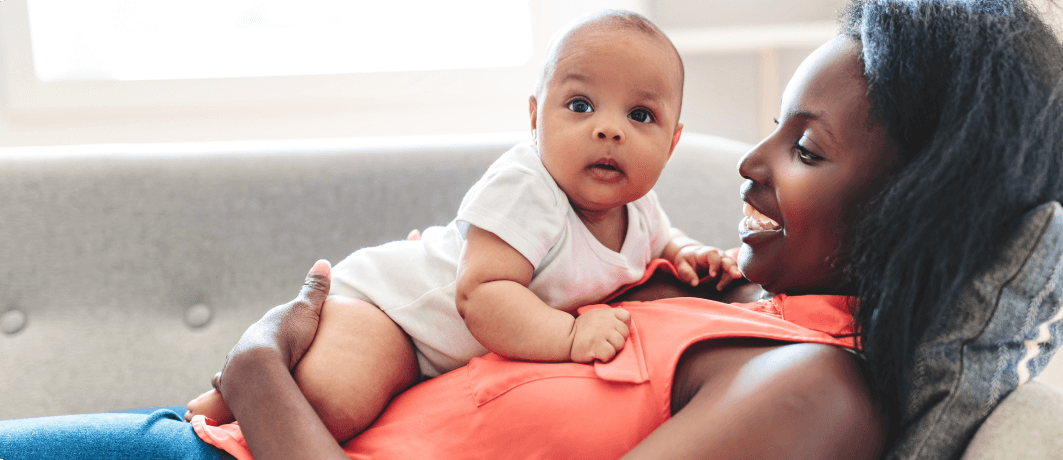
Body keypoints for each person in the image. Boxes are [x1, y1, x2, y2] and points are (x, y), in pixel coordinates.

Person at [0, 0, 1063, 458]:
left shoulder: (808, 394)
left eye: (806, 149)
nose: (747, 162)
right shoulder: (729, 301)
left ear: (918, 212)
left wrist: (258, 364)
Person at [182, 10, 742, 442]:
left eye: (639, 115)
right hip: (395, 312)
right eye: (579, 105)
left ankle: (234, 391)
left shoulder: (639, 205)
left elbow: (664, 242)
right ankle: (236, 386)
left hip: (436, 353)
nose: (608, 130)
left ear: (671, 143)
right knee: (334, 404)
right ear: (534, 118)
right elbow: (482, 296)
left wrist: (693, 253)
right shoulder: (527, 187)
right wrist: (570, 338)